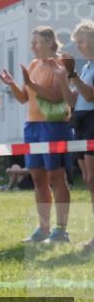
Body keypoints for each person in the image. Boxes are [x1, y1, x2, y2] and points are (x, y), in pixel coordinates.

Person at [0, 26, 73, 244]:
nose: (32, 46)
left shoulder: (60, 65)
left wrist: (31, 84)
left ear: (50, 42)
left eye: (36, 42)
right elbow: (23, 98)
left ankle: (61, 231)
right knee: (38, 178)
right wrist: (12, 84)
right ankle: (43, 229)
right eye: (32, 42)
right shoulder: (32, 65)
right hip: (32, 127)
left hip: (54, 127)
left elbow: (57, 96)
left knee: (56, 177)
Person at [63, 20, 94, 254]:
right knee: (88, 180)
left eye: (81, 41)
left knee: (93, 179)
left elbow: (90, 96)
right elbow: (74, 101)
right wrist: (63, 77)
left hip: (92, 121)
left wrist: (73, 75)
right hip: (81, 122)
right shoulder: (85, 68)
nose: (79, 46)